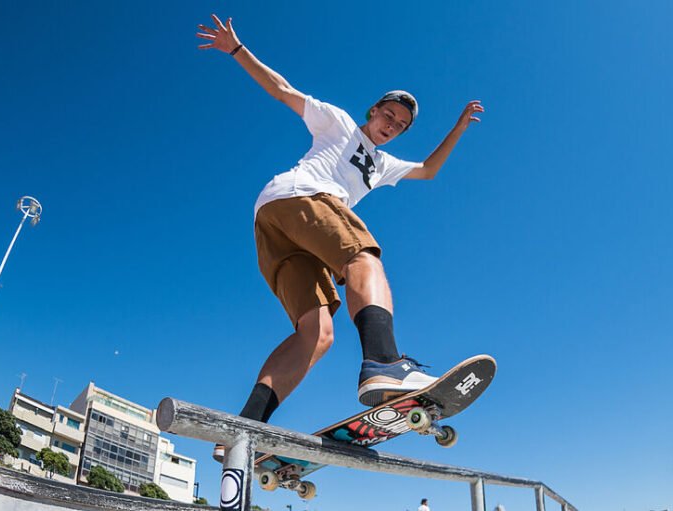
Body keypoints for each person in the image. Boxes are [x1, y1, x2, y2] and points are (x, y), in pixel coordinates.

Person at [196, 14, 484, 459]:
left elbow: (428, 169)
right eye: (388, 115)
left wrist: (459, 128)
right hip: (302, 197)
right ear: (373, 111)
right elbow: (283, 90)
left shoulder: (384, 165)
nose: (391, 125)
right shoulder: (339, 123)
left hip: (276, 226)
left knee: (317, 333)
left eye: (400, 125)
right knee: (363, 258)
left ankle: (242, 427)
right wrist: (237, 50)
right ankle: (384, 362)